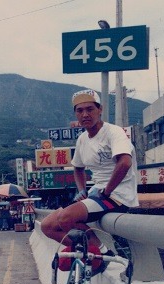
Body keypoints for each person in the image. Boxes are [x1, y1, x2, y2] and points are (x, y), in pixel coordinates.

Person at [41, 89, 139, 267]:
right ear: (75, 114)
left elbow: (125, 163)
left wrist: (107, 191)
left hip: (117, 195)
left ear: (100, 109)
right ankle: (89, 252)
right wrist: (81, 190)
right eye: (80, 111)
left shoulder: (113, 132)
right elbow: (77, 168)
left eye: (90, 109)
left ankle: (102, 253)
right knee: (47, 226)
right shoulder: (82, 139)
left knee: (65, 219)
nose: (85, 114)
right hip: (96, 194)